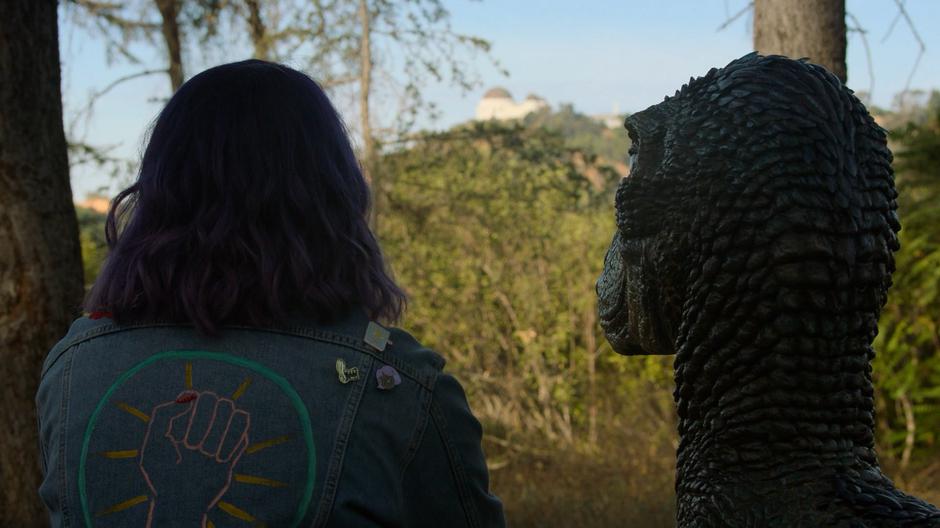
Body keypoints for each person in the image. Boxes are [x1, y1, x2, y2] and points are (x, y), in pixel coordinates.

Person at [35, 60, 505, 528]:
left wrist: (183, 501)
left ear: (156, 196)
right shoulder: (398, 388)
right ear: (334, 200)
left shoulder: (72, 369)